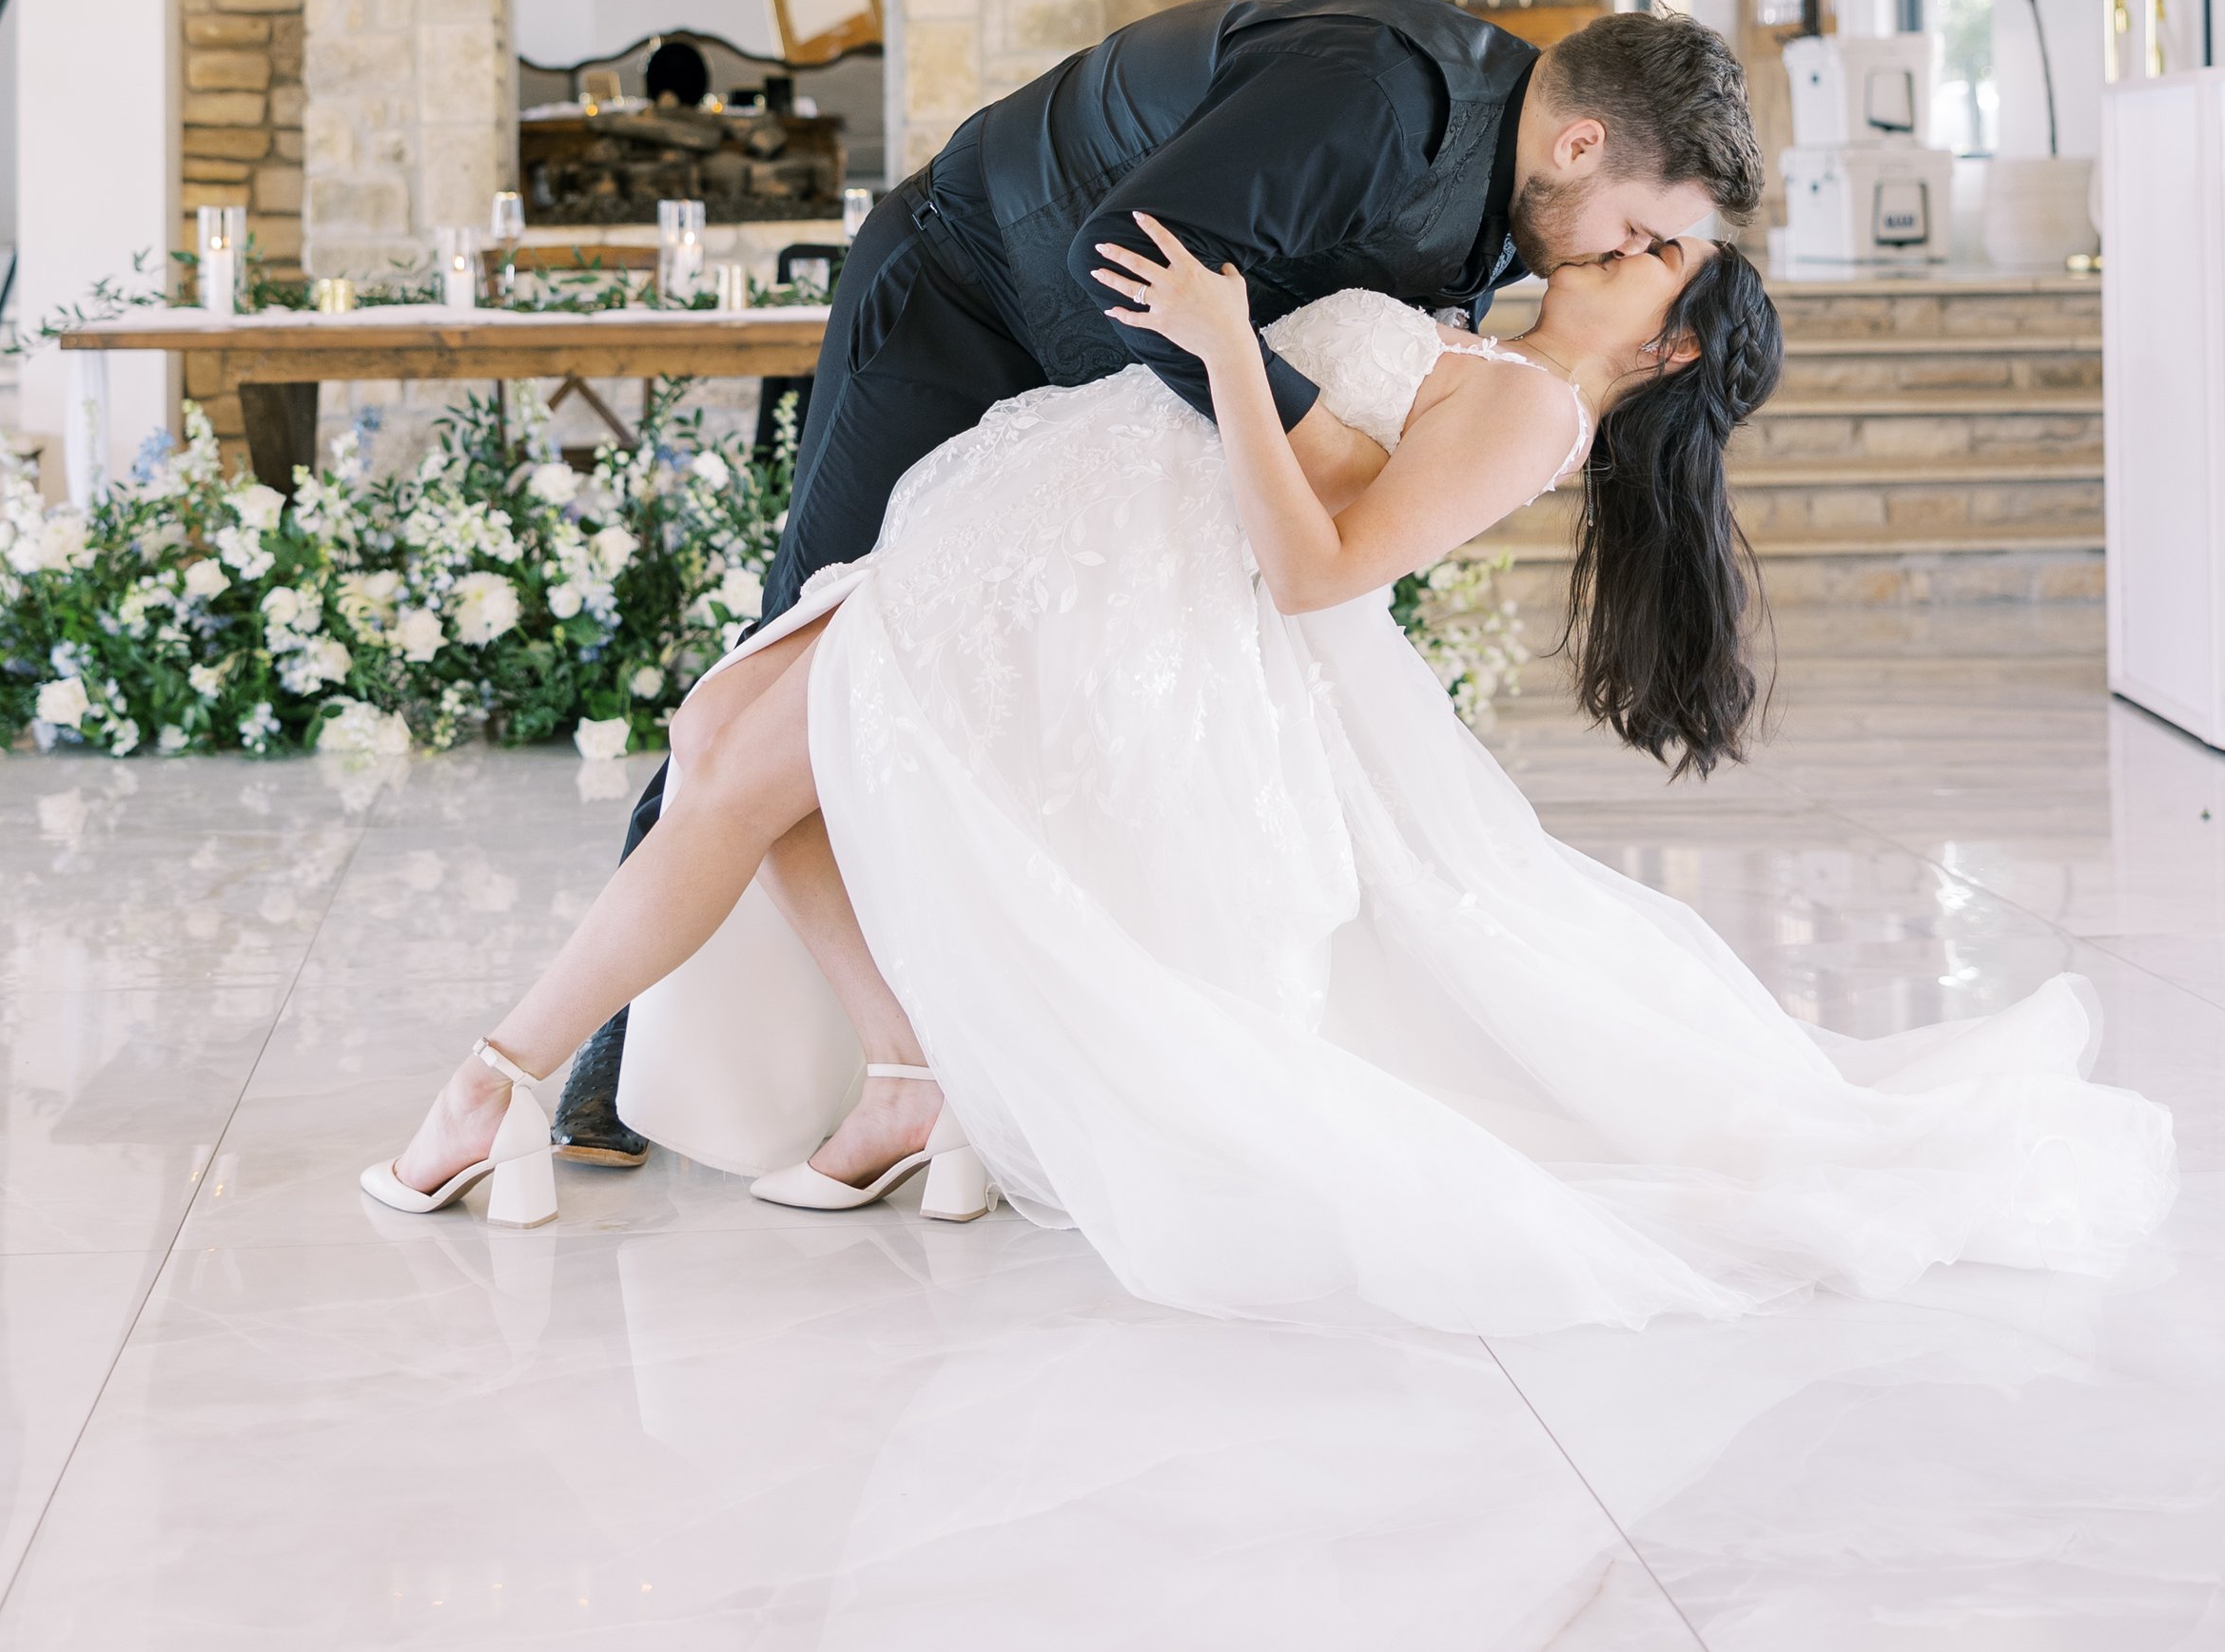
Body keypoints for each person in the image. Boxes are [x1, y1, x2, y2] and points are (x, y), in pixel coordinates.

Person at [364, 219, 2174, 1334]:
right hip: (1060, 550)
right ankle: (896, 1080)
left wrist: (1230, 345)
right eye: (1633, 227)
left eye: (1651, 260)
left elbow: (1318, 563)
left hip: (1113, 599)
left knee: (746, 755)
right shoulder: (1485, 339)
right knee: (753, 754)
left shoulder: (1540, 410)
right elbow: (1317, 463)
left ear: (1670, 343)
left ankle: (501, 1084)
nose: (1614, 243)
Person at [550, 0, 1765, 1161]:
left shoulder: (1519, 198)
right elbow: (1125, 251)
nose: (1635, 249)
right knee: (797, 660)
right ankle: (612, 1053)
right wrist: (1314, 434)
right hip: (961, 305)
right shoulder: (1380, 97)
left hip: (1110, 411)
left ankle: (938, 1069)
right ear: (1583, 138)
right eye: (1644, 224)